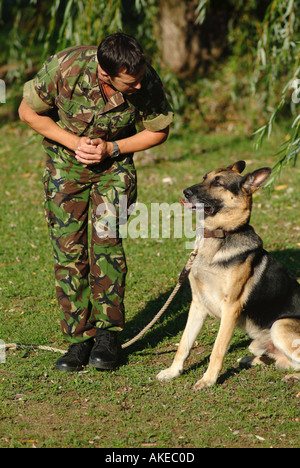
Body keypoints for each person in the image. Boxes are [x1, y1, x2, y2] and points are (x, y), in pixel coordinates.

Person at [19, 32, 173, 372]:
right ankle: (78, 339)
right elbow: (28, 112)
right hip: (66, 165)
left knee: (107, 247)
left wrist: (112, 148)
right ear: (105, 73)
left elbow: (158, 130)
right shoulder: (65, 67)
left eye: (139, 79)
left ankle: (107, 336)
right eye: (129, 83)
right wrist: (74, 142)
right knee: (68, 250)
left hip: (114, 166)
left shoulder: (144, 79)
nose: (138, 86)